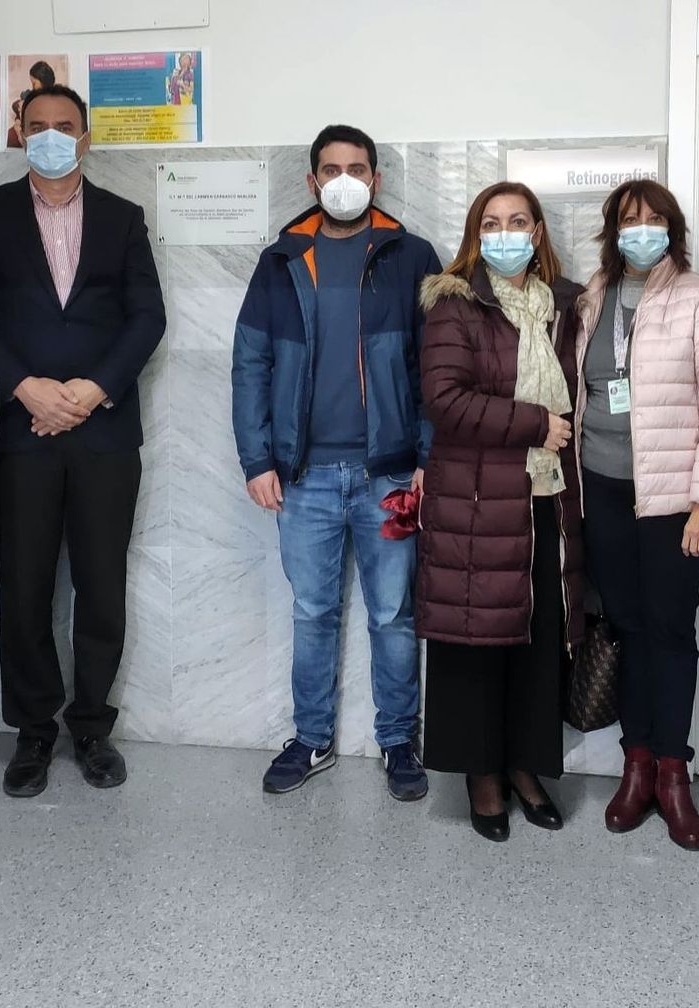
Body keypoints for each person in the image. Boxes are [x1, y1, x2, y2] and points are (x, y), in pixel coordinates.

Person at [0, 84, 166, 799]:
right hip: (22, 431)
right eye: (38, 125)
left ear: (85, 137)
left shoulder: (122, 216)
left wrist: (90, 390)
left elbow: (147, 317)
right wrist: (25, 387)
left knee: (102, 586)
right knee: (25, 586)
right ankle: (34, 730)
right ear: (20, 133)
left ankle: (92, 727)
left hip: (104, 431)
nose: (50, 135)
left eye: (64, 125)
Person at [232, 124, 441, 801]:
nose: (344, 179)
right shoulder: (282, 260)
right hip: (304, 479)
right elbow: (251, 364)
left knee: (393, 614)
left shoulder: (411, 256)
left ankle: (399, 741)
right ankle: (312, 737)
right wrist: (257, 458)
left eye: (357, 168)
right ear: (312, 180)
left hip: (391, 475)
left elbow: (435, 368)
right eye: (331, 169)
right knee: (313, 612)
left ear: (376, 179)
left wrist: (427, 457)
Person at [573, 180, 699, 852]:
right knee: (625, 626)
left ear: (672, 229)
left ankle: (673, 773)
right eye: (628, 219)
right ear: (612, 230)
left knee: (670, 631)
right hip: (603, 490)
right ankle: (636, 765)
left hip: (675, 500)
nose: (640, 229)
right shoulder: (594, 295)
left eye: (653, 219)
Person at [416, 181, 585, 843]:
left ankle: (523, 765)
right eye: (492, 223)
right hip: (477, 501)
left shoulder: (562, 305)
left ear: (538, 232)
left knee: (538, 645)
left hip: (546, 501)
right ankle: (480, 775)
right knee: (475, 644)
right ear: (475, 234)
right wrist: (535, 424)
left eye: (518, 221)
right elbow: (445, 401)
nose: (506, 234)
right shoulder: (455, 304)